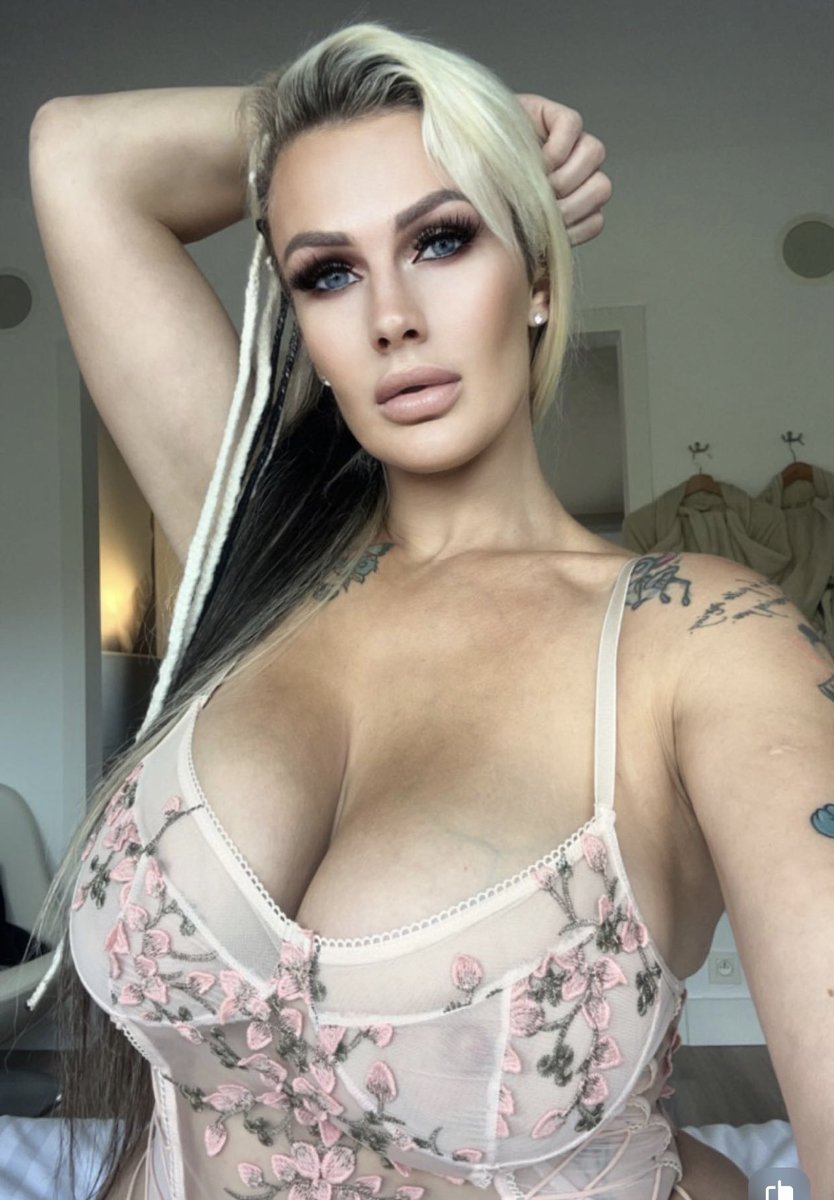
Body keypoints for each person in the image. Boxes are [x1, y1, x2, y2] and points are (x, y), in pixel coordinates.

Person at [24, 18, 762, 1200]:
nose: (391, 315)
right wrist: (446, 124)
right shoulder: (260, 561)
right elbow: (79, 154)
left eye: (444, 237)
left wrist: (474, 139)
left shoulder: (696, 639)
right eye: (328, 270)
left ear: (538, 276)